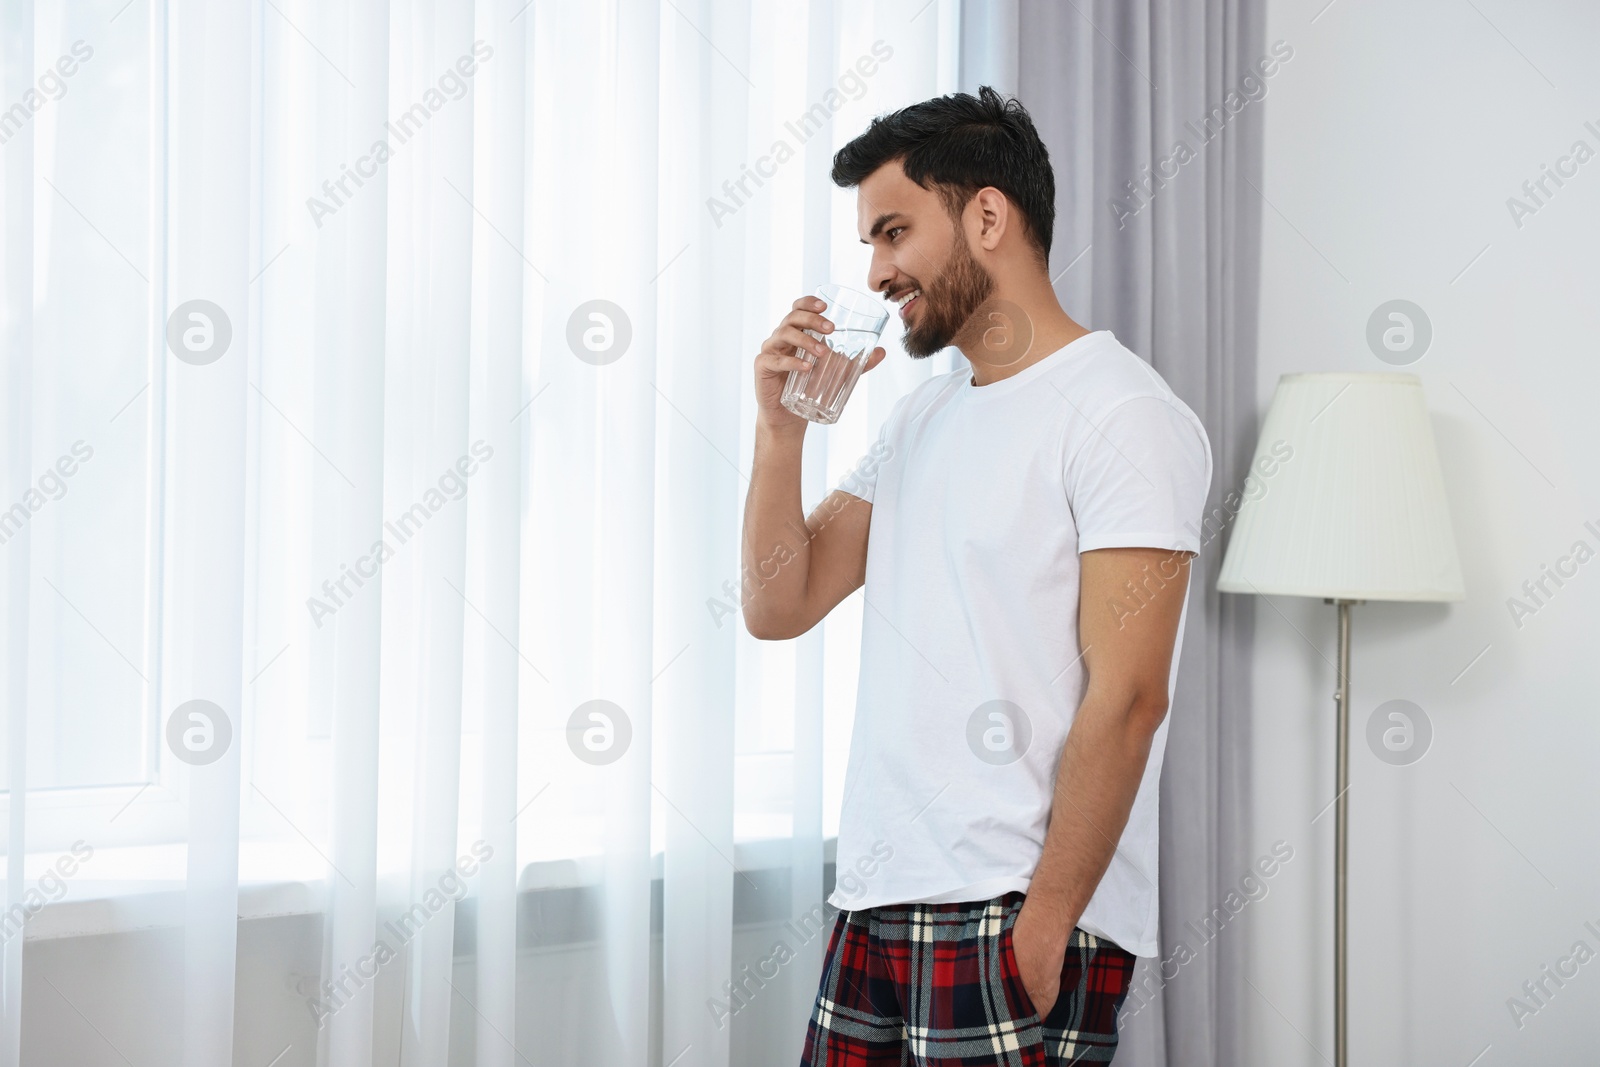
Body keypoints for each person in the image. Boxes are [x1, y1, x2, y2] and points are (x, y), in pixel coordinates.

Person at [741, 86, 1212, 1065]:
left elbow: (1128, 697)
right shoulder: (920, 419)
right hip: (875, 898)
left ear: (987, 215)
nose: (875, 271)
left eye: (894, 231)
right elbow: (777, 604)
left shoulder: (1122, 413)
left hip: (1011, 907)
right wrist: (778, 431)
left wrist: (1045, 923)